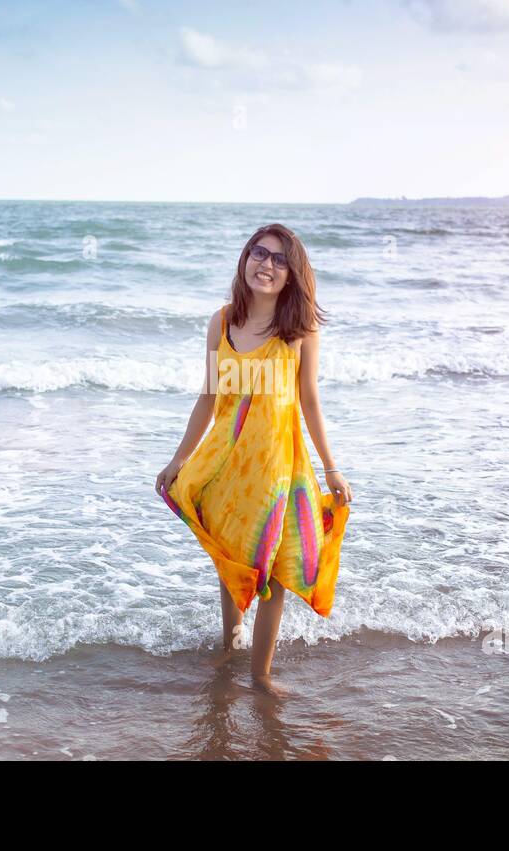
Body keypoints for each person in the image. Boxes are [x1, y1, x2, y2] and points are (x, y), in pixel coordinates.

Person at [155, 223, 352, 698]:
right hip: (226, 463)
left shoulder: (298, 331)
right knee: (231, 556)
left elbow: (309, 401)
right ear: (244, 260)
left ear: (292, 274)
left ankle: (260, 675)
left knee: (275, 568)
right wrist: (179, 459)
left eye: (279, 260)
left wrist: (331, 467)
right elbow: (208, 397)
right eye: (258, 254)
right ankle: (231, 642)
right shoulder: (221, 321)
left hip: (278, 466)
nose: (266, 264)